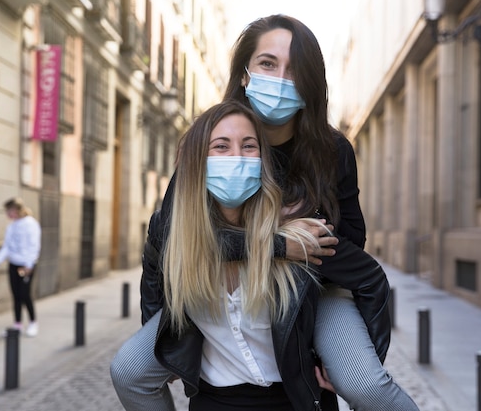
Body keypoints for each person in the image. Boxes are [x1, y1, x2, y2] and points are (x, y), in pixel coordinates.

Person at [114, 14, 420, 410]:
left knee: (367, 387)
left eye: (294, 69)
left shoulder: (332, 150)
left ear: (310, 81)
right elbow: (172, 234)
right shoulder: (214, 139)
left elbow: (350, 242)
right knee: (129, 370)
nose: (280, 78)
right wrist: (277, 242)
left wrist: (302, 251)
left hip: (312, 286)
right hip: (217, 287)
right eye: (268, 64)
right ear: (245, 73)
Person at [112, 99, 332, 410]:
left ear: (263, 159)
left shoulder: (298, 230)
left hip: (291, 401)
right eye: (221, 146)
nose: (236, 158)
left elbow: (360, 280)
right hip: (212, 400)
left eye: (248, 146)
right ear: (198, 160)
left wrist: (343, 365)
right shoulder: (176, 230)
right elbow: (154, 275)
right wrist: (165, 350)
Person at [0, 197, 41, 337]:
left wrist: (29, 265)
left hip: (26, 265)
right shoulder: (11, 227)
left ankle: (33, 322)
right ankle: (17, 324)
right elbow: (6, 248)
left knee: (25, 294)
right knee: (15, 294)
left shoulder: (30, 224)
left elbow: (34, 245)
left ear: (17, 210)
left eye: (9, 211)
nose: (7, 214)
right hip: (14, 264)